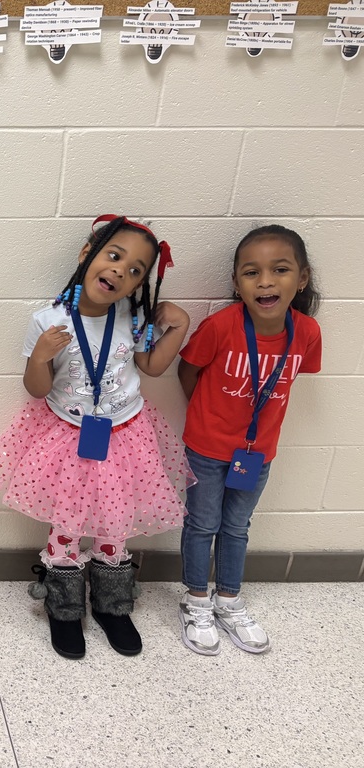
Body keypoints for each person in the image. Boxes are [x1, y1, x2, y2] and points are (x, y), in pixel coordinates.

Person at [0, 215, 193, 659]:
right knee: (67, 526)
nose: (121, 271)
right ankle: (63, 608)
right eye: (114, 256)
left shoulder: (132, 315)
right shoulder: (48, 319)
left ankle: (113, 605)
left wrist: (180, 327)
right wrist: (40, 357)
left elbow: (151, 367)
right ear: (87, 255)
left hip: (125, 437)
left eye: (136, 270)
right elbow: (36, 389)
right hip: (68, 437)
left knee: (115, 526)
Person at [178, 225, 322, 655]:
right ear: (237, 282)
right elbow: (188, 371)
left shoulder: (307, 333)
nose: (265, 281)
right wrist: (206, 417)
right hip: (206, 450)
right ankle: (195, 600)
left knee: (237, 527)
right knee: (203, 524)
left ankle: (228, 600)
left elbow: (293, 380)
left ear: (302, 278)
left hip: (256, 455)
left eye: (279, 270)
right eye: (250, 272)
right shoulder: (220, 326)